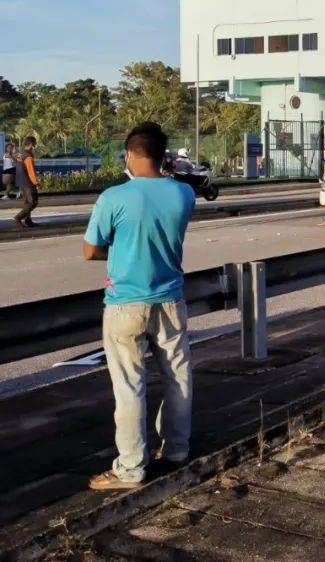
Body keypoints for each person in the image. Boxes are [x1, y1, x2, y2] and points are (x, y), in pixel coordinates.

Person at [83, 122, 197, 491]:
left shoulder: (114, 197)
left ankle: (130, 468)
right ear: (162, 155)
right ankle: (177, 450)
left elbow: (90, 250)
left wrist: (119, 250)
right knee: (177, 376)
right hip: (170, 300)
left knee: (129, 387)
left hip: (125, 304)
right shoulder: (183, 195)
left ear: (130, 154)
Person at [13, 136, 39, 228]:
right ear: (31, 145)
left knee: (27, 202)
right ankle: (18, 218)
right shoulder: (28, 156)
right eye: (34, 145)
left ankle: (28, 220)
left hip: (20, 181)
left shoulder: (20, 153)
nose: (34, 147)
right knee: (33, 202)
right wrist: (36, 182)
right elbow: (31, 170)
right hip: (28, 182)